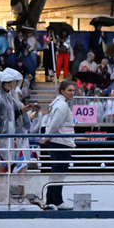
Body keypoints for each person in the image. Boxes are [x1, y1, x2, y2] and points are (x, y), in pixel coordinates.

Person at [40, 81, 76, 210]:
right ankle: (56, 201)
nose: (72, 93)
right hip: (61, 142)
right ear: (62, 91)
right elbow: (55, 124)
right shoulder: (62, 105)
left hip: (59, 142)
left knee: (57, 171)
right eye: (69, 90)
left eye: (73, 90)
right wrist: (45, 138)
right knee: (59, 172)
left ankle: (51, 200)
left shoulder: (59, 104)